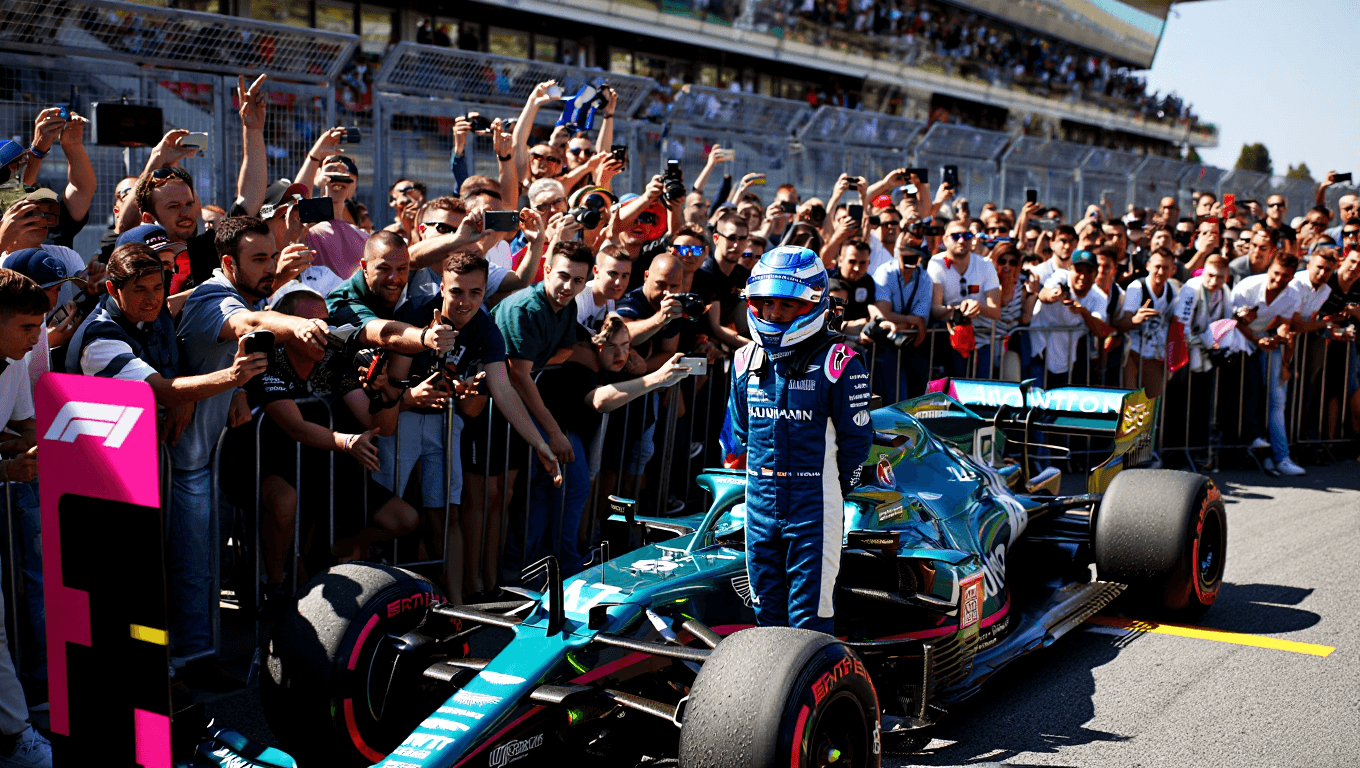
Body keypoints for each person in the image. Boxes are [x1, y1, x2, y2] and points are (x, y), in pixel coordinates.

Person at [170, 216, 330, 688]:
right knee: (192, 567)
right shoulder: (215, 299)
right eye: (258, 259)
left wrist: (236, 391)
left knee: (203, 565)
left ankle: (196, 658)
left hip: (203, 461)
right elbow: (251, 322)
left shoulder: (238, 292)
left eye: (271, 256)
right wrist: (298, 325)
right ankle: (189, 665)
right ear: (227, 263)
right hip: (183, 463)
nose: (270, 268)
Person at [727, 245, 872, 633]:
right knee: (766, 618)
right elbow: (739, 434)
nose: (774, 314)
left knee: (810, 622)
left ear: (812, 304)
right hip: (758, 505)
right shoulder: (743, 360)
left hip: (814, 509)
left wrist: (833, 490)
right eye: (767, 303)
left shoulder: (840, 362)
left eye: (787, 305)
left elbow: (856, 444)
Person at [526, 315, 688, 575]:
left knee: (559, 492)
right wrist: (657, 378)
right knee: (571, 487)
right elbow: (599, 400)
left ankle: (553, 559)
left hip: (560, 428)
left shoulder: (602, 362)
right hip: (549, 427)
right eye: (612, 346)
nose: (620, 353)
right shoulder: (580, 363)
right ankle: (562, 562)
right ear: (596, 344)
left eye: (626, 346)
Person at [0, 269, 52, 767]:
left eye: (40, 326)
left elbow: (18, 426)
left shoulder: (14, 362)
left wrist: (34, 446)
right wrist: (6, 468)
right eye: (26, 327)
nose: (37, 338)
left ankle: (16, 736)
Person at [1232, 253, 1304, 476]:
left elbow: (1283, 324)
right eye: (1276, 273)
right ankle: (1250, 447)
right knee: (1247, 391)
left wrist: (1279, 338)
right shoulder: (1247, 287)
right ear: (1269, 269)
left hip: (1265, 341)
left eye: (1285, 276)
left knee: (1276, 398)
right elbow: (1233, 321)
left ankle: (1281, 457)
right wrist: (1256, 340)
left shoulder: (1293, 295)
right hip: (1236, 340)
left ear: (1292, 277)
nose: (1279, 279)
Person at [928, 221, 1001, 377]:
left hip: (981, 339)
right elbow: (935, 308)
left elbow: (996, 312)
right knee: (954, 386)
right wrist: (957, 311)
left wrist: (978, 306)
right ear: (944, 239)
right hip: (949, 340)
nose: (961, 240)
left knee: (981, 387)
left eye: (967, 235)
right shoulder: (936, 263)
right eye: (955, 236)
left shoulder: (985, 265)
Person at [871, 237, 932, 401]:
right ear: (898, 254)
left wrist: (908, 323)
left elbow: (920, 321)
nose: (910, 261)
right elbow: (883, 315)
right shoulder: (885, 272)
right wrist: (912, 321)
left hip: (910, 343)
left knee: (920, 385)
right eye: (906, 256)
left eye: (915, 256)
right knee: (896, 390)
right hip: (883, 342)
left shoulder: (925, 278)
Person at [1117, 249, 1177, 398]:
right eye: (1157, 266)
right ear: (1148, 265)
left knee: (1154, 403)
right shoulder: (1137, 288)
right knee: (1131, 402)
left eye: (1165, 268)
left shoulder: (1171, 290)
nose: (1161, 272)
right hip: (1133, 354)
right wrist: (1135, 320)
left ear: (1172, 269)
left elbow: (1174, 323)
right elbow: (1123, 324)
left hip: (1156, 355)